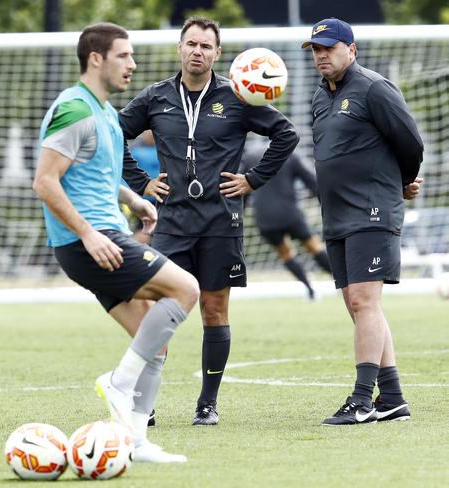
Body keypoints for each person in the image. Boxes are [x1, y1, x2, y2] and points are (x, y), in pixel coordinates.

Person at [32, 22, 200, 461]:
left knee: (154, 337)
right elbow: (46, 182)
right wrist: (88, 235)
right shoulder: (74, 108)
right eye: (124, 56)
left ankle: (137, 440)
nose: (133, 64)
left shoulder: (104, 112)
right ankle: (118, 384)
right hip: (87, 241)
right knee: (186, 289)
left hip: (106, 234)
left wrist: (134, 198)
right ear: (96, 59)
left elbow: (100, 176)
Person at [120, 16, 299, 425]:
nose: (197, 51)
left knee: (214, 310)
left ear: (218, 54)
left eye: (206, 46)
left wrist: (252, 179)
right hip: (172, 224)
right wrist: (141, 183)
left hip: (221, 222)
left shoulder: (238, 95)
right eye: (191, 44)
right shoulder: (155, 97)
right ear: (179, 49)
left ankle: (207, 404)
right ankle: (143, 405)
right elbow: (114, 135)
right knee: (155, 310)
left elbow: (285, 134)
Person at [301, 17, 424, 425]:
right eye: (316, 50)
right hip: (336, 215)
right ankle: (391, 397)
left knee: (364, 302)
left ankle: (362, 400)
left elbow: (411, 142)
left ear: (350, 50)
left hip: (373, 210)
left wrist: (402, 182)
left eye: (329, 48)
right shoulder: (319, 98)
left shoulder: (374, 88)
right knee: (357, 307)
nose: (321, 56)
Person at [242, 146, 332, 300]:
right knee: (314, 247)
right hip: (289, 214)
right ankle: (342, 281)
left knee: (285, 254)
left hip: (264, 218)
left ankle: (311, 291)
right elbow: (313, 183)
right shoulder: (291, 154)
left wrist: (239, 213)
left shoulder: (251, 156)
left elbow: (242, 187)